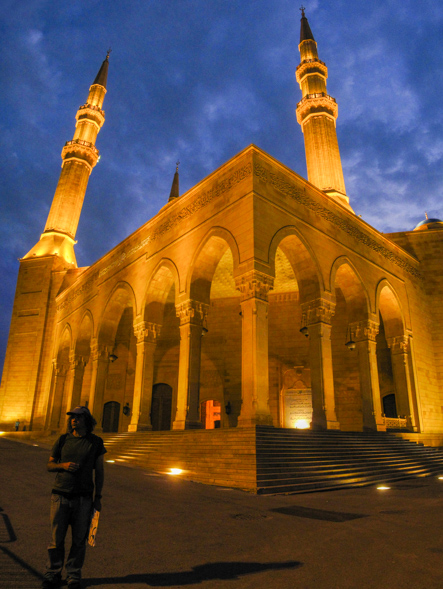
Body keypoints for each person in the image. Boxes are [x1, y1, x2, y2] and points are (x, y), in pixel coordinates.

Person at [42, 406, 106, 589]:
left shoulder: (95, 442)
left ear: (87, 420)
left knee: (79, 540)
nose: (73, 420)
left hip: (84, 498)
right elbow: (49, 465)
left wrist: (98, 497)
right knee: (56, 540)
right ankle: (53, 574)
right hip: (60, 496)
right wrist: (63, 465)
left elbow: (100, 472)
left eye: (78, 417)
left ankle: (73, 576)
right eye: (71, 417)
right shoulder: (63, 440)